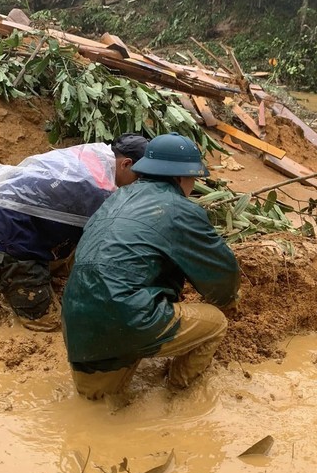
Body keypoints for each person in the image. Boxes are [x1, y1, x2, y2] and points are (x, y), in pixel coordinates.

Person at [61, 132, 240, 400]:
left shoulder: (115, 199)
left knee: (97, 405)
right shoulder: (181, 210)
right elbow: (222, 277)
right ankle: (177, 393)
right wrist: (226, 300)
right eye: (194, 178)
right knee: (215, 322)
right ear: (180, 177)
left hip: (78, 324)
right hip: (130, 318)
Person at [0, 134, 147, 331]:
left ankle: (10, 278)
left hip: (0, 224)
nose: (138, 186)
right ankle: (6, 281)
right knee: (51, 321)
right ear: (126, 164)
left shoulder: (93, 156)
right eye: (140, 178)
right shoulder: (97, 191)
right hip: (2, 246)